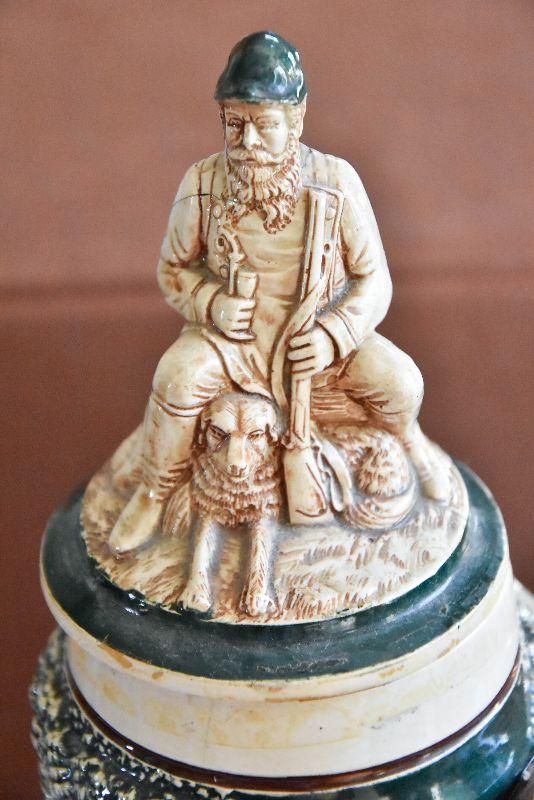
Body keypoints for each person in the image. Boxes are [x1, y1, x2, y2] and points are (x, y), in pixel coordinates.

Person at [110, 31, 449, 553]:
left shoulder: (336, 182)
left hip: (314, 351)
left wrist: (335, 335)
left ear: (297, 120)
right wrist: (212, 305)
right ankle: (155, 492)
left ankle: (410, 442)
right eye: (235, 124)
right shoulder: (201, 183)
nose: (247, 142)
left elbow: (374, 280)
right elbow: (173, 270)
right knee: (176, 379)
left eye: (264, 125)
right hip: (232, 347)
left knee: (400, 383)